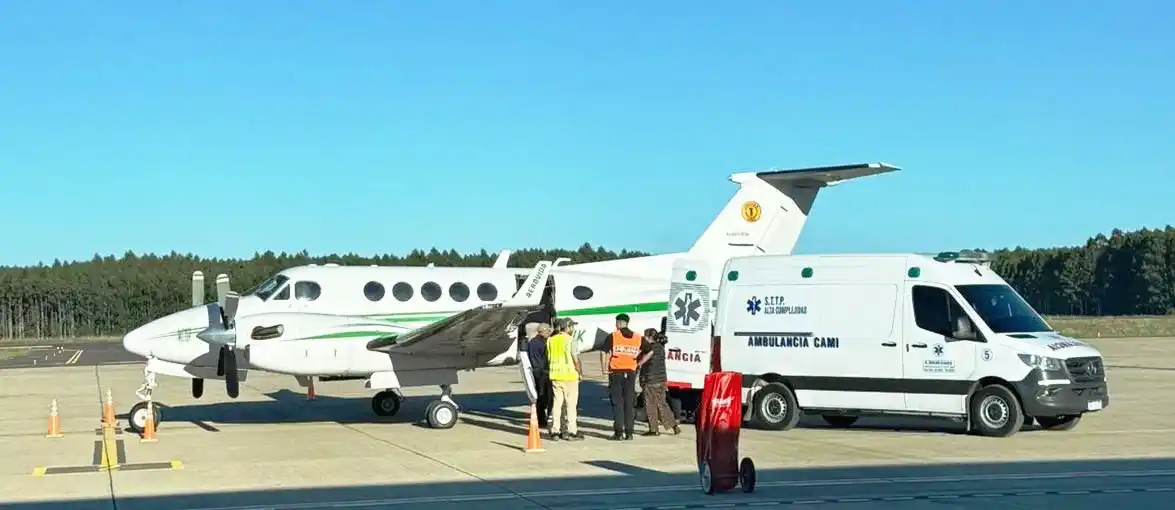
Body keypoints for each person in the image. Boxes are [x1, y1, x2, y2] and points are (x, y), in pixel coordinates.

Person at [603, 313, 650, 440]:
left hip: (616, 372)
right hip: (630, 372)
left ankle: (618, 433)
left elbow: (607, 353)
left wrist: (605, 368)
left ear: (619, 323)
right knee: (629, 402)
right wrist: (638, 363)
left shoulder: (613, 336)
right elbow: (650, 351)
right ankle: (629, 433)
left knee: (618, 402)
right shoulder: (637, 337)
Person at [546, 317, 584, 441]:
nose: (573, 329)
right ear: (567, 327)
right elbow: (575, 358)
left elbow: (548, 356)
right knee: (571, 405)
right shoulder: (571, 340)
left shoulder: (550, 340)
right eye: (572, 326)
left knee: (557, 404)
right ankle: (571, 431)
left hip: (555, 375)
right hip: (570, 376)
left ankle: (555, 431)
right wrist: (580, 372)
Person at [637, 328, 680, 436]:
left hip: (651, 380)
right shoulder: (660, 347)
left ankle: (654, 429)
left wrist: (637, 364)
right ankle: (674, 425)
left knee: (650, 405)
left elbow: (642, 361)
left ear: (648, 337)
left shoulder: (650, 348)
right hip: (661, 380)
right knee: (662, 403)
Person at [526, 323, 554, 429]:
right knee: (545, 396)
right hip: (543, 372)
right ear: (542, 332)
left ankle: (541, 418)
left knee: (539, 395)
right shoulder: (544, 343)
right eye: (548, 331)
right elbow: (546, 357)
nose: (549, 333)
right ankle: (543, 419)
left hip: (536, 371)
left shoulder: (532, 342)